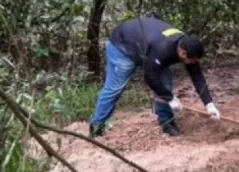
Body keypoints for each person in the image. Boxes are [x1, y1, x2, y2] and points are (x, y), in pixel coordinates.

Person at [88, 15, 220, 138]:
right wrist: (170, 98)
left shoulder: (187, 45)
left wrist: (209, 104)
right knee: (115, 88)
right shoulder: (163, 48)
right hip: (123, 46)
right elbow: (150, 77)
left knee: (165, 83)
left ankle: (166, 122)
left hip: (147, 49)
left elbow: (197, 76)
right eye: (192, 61)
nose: (193, 64)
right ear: (183, 54)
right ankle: (96, 126)